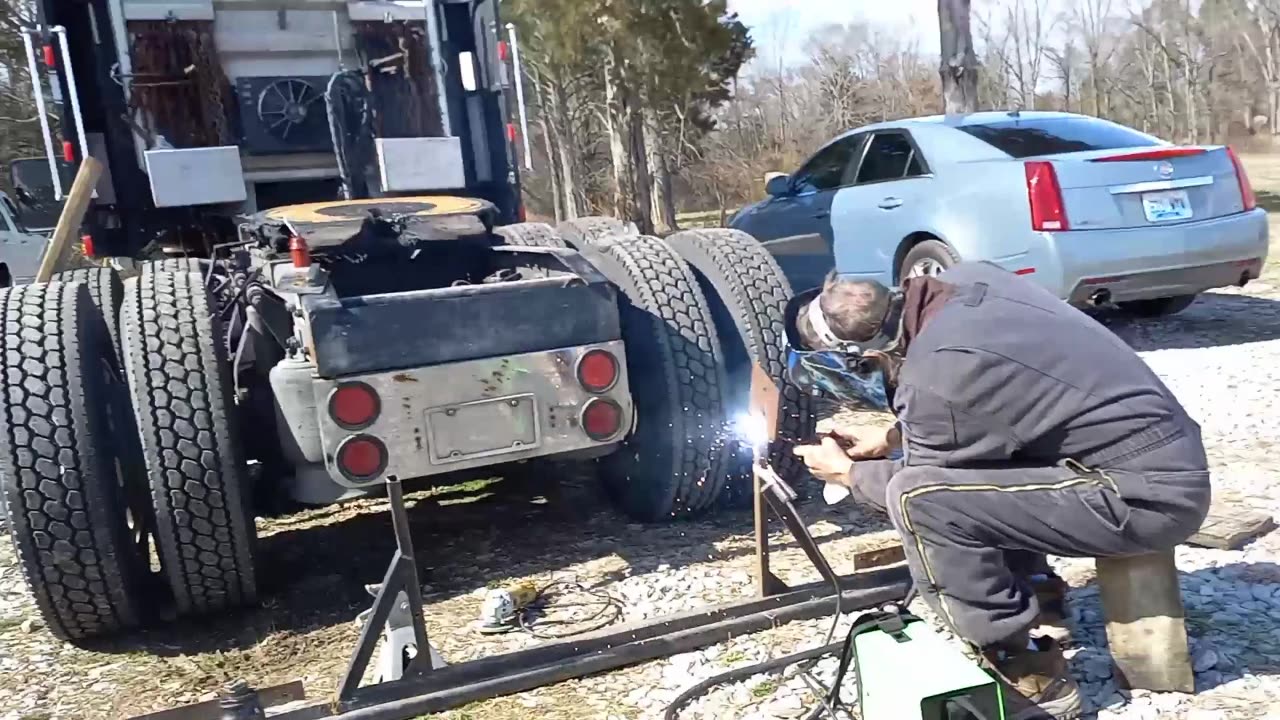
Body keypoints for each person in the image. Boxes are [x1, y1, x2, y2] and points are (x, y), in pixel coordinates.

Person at [786, 262, 1211, 720]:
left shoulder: (937, 377)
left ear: (866, 356)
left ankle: (1027, 668)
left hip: (1145, 500)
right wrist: (892, 438)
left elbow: (930, 490)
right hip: (1157, 457)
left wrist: (848, 473)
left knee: (919, 501)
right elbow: (998, 402)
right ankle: (1036, 593)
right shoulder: (968, 281)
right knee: (983, 465)